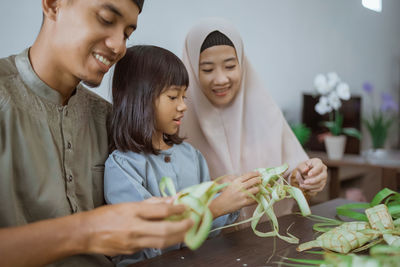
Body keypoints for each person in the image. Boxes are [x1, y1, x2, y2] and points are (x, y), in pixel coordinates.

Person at [0, 1, 193, 266]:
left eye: (127, 34)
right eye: (105, 19)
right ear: (53, 5)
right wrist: (86, 231)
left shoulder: (108, 118)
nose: (119, 46)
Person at [104, 45, 261, 265]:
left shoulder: (192, 156)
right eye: (172, 96)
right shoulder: (122, 165)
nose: (182, 106)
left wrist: (224, 195)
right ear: (139, 98)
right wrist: (216, 207)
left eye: (184, 97)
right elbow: (150, 239)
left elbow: (206, 233)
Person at [181, 18, 328, 221]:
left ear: (242, 64)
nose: (221, 79)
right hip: (206, 249)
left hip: (265, 243)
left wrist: (308, 177)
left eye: (230, 66)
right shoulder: (177, 123)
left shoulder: (267, 113)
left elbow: (295, 178)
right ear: (191, 70)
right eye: (207, 69)